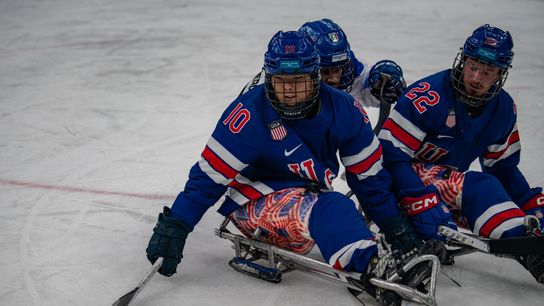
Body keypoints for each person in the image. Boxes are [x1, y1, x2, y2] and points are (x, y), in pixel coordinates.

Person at [146, 30, 432, 305]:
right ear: (269, 78)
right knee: (333, 207)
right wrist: (176, 226)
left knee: (338, 207)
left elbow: (370, 178)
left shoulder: (345, 109)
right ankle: (373, 265)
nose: (289, 91)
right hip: (252, 199)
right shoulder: (247, 113)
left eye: (299, 81)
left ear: (315, 77)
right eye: (281, 81)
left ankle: (368, 252)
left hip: (308, 192)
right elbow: (208, 179)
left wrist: (397, 230)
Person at [378, 24, 544, 284]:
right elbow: (387, 157)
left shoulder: (503, 109)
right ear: (462, 60)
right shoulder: (427, 97)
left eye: (488, 71)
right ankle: (525, 245)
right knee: (480, 186)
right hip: (397, 187)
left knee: (498, 192)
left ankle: (529, 247)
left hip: (442, 192)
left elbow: (503, 169)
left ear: (501, 73)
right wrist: (418, 199)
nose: (476, 77)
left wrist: (529, 204)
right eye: (472, 66)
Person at [241, 18, 407, 110]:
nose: (335, 79)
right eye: (326, 71)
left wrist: (382, 86)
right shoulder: (267, 86)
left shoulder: (350, 67)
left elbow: (367, 90)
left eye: (338, 69)